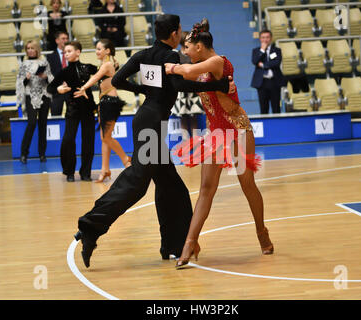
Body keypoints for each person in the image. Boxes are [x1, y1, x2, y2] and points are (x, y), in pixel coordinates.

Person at [73, 14, 235, 268]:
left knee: (172, 187)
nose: (181, 34)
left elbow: (117, 81)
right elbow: (180, 86)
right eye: (179, 30)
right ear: (173, 34)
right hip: (151, 124)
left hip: (148, 120)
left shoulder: (144, 54)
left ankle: (172, 246)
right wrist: (217, 86)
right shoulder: (170, 57)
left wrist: (143, 91)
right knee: (137, 182)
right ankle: (90, 227)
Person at [165, 19, 274, 269]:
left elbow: (187, 72)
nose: (185, 52)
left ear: (200, 47)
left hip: (237, 130)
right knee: (206, 189)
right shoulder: (201, 65)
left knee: (247, 184)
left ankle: (261, 232)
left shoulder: (217, 62)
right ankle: (189, 244)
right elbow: (188, 73)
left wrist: (170, 66)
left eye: (187, 48)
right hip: (215, 133)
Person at [73, 39, 131, 182]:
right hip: (104, 103)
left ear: (107, 51)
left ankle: (126, 160)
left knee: (106, 137)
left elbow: (96, 78)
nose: (97, 51)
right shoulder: (104, 64)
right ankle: (105, 169)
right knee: (105, 139)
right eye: (96, 49)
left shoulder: (107, 65)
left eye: (99, 49)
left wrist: (83, 88)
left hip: (111, 104)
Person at [47, 41, 98, 182]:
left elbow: (103, 72)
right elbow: (50, 88)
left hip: (88, 108)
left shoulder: (88, 68)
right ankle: (70, 172)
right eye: (65, 52)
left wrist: (113, 64)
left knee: (88, 141)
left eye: (69, 51)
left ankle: (85, 172)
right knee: (68, 140)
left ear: (78, 52)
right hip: (72, 109)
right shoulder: (64, 72)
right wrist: (58, 89)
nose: (66, 54)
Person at [16, 40, 54, 164]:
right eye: (28, 48)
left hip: (44, 95)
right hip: (30, 95)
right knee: (31, 123)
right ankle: (23, 153)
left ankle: (42, 154)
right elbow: (20, 82)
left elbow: (51, 79)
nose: (30, 50)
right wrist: (26, 79)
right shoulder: (24, 64)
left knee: (43, 125)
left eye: (32, 48)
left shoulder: (44, 62)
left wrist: (45, 77)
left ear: (37, 49)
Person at [171, 31, 204, 139]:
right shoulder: (176, 55)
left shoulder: (193, 55)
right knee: (183, 117)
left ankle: (195, 140)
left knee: (194, 116)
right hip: (181, 90)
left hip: (193, 89)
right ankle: (186, 140)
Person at [251, 29, 285, 114]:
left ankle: (277, 126)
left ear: (271, 38)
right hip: (262, 83)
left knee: (276, 108)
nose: (265, 39)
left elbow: (276, 63)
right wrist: (262, 50)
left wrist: (263, 65)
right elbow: (255, 61)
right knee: (263, 108)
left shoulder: (277, 50)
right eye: (263, 37)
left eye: (267, 37)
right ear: (260, 39)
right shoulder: (256, 51)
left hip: (275, 82)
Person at [46, 31, 70, 116]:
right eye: (63, 39)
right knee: (55, 116)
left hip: (70, 89)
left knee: (73, 116)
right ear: (57, 41)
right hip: (56, 91)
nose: (66, 41)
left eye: (67, 38)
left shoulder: (72, 55)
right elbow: (50, 74)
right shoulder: (50, 57)